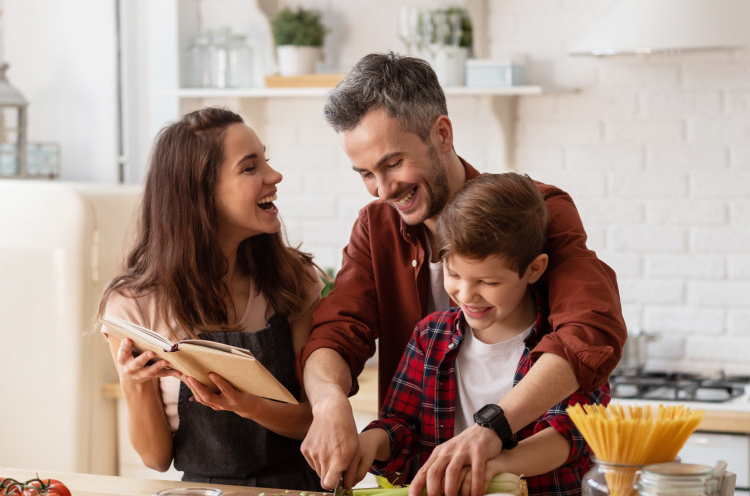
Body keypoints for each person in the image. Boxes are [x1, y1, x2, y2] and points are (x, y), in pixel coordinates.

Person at [297, 52, 627, 496]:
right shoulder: (375, 227)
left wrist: (493, 431)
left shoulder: (537, 211)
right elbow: (336, 332)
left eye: (393, 163)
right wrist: (329, 402)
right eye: (365, 174)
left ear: (442, 133)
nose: (383, 189)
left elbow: (590, 329)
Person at [97, 107, 324, 490]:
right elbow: (156, 458)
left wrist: (247, 405)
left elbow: (316, 421)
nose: (274, 176)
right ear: (200, 193)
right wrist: (133, 384)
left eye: (265, 160)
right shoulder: (132, 307)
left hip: (295, 487)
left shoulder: (292, 281)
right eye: (250, 168)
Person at [356, 173, 610, 496]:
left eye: (488, 283)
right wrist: (368, 443)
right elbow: (400, 424)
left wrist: (496, 465)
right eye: (454, 273)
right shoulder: (429, 336)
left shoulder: (565, 347)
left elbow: (568, 435)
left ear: (534, 269)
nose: (467, 295)